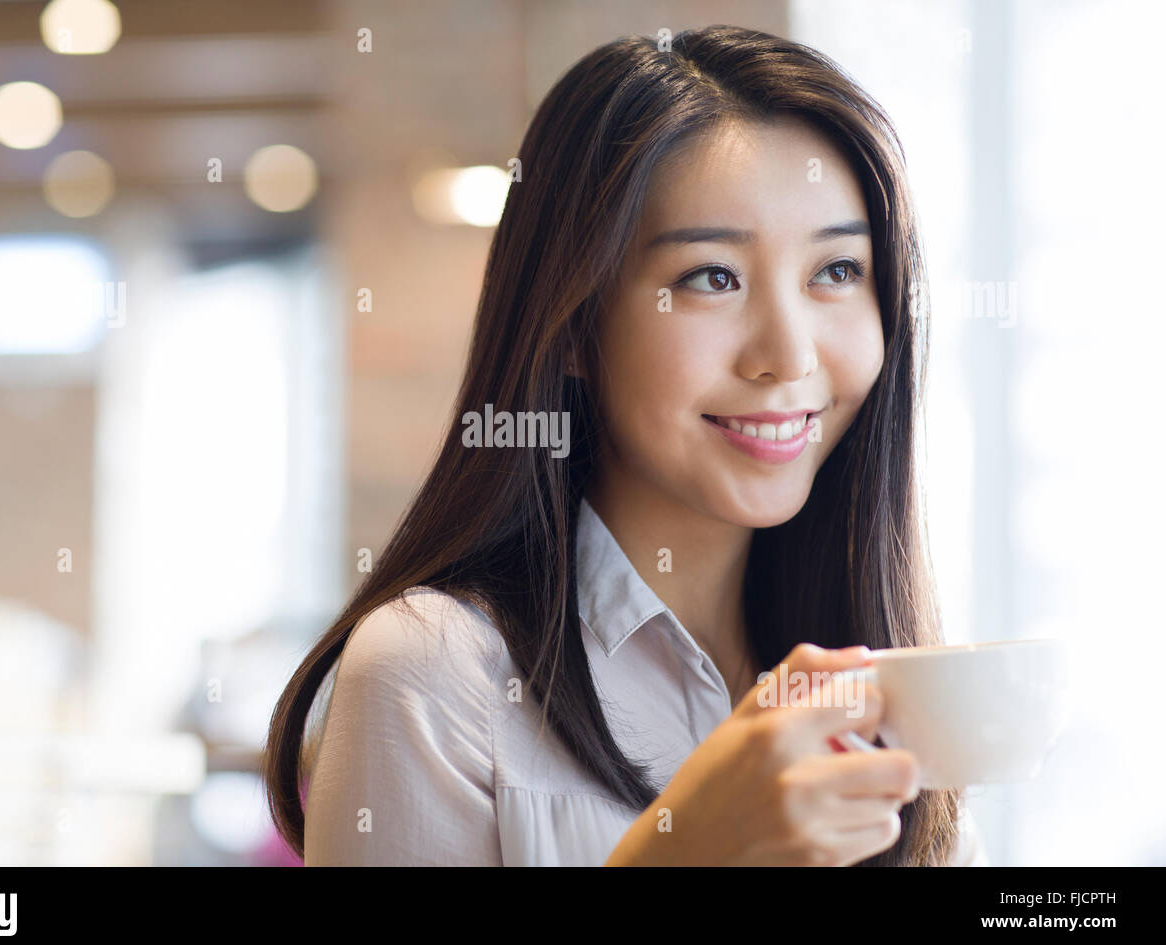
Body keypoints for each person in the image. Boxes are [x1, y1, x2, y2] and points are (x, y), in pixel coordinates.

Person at [265, 24, 988, 866]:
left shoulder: (886, 672)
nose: (788, 356)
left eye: (835, 271)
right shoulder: (432, 673)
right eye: (711, 277)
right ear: (573, 325)